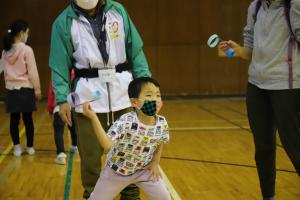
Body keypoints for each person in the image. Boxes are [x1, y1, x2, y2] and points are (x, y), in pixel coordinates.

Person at [49, 0, 151, 198]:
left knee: (129, 155)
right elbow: (59, 65)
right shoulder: (63, 22)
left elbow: (136, 51)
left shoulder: (117, 11)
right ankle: (93, 195)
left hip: (123, 96)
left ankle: (131, 196)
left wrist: (145, 87)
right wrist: (62, 100)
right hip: (87, 101)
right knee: (90, 160)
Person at [218, 0, 300, 199]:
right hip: (256, 86)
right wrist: (236, 50)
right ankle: (268, 196)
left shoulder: (294, 6)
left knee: (294, 145)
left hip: (287, 85)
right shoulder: (255, 7)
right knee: (263, 147)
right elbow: (250, 52)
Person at [82, 77, 170, 200]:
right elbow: (107, 145)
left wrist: (155, 162)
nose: (155, 99)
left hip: (143, 170)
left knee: (164, 197)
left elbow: (160, 141)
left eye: (158, 95)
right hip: (116, 171)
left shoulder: (162, 122)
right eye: (149, 95)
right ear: (135, 102)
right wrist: (93, 117)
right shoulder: (125, 121)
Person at [1, 19, 41, 157]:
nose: (27, 36)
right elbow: (33, 72)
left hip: (11, 90)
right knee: (28, 120)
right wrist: (37, 89)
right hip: (25, 89)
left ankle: (17, 148)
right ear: (21, 32)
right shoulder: (27, 50)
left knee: (14, 120)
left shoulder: (5, 51)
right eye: (27, 33)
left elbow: (2, 69)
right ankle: (30, 147)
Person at [47, 78, 78, 165]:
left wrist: (50, 107)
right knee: (72, 126)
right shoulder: (76, 74)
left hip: (59, 108)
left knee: (58, 130)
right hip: (72, 107)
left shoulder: (56, 77)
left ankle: (61, 154)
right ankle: (75, 145)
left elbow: (51, 93)